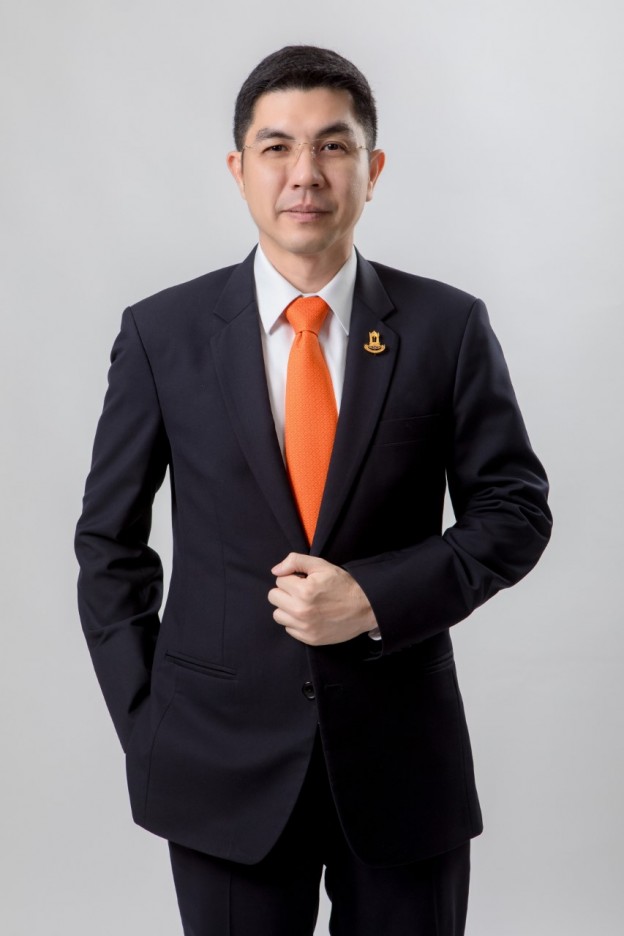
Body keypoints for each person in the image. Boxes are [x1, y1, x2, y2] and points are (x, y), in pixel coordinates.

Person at [75, 45, 552, 936]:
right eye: (277, 148)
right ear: (239, 170)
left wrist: (374, 598)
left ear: (373, 169)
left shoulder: (447, 327)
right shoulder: (162, 333)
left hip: (405, 764)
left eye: (334, 146)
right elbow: (109, 545)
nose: (306, 173)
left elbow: (515, 512)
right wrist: (149, 726)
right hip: (217, 768)